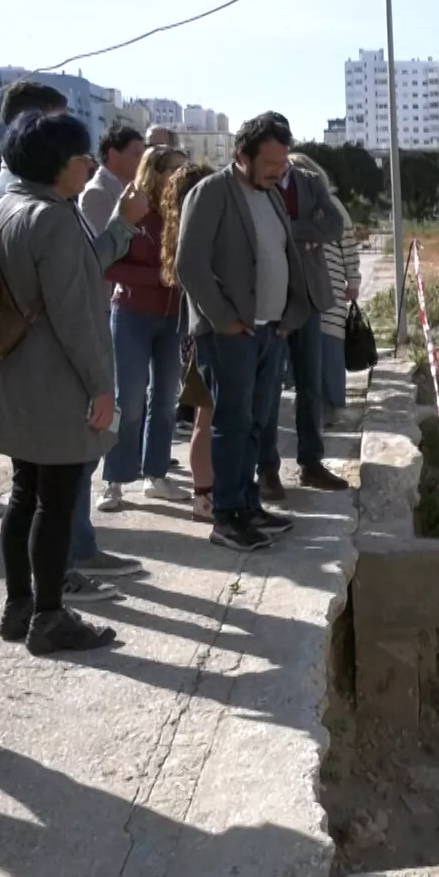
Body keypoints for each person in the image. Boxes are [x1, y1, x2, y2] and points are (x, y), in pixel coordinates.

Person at [0, 80, 146, 597]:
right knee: (54, 504)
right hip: (58, 378)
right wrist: (102, 387)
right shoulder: (53, 218)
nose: (88, 165)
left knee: (24, 496)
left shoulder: (6, 206)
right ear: (58, 162)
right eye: (81, 156)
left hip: (17, 370)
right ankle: (49, 614)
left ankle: (19, 606)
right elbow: (74, 310)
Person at [174, 113, 314, 551]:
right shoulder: (211, 194)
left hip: (270, 331)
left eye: (282, 162)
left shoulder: (270, 195)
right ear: (241, 156)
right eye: (270, 163)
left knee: (256, 423)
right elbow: (189, 264)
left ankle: (248, 504)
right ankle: (227, 515)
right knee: (232, 424)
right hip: (230, 335)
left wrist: (286, 318)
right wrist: (223, 319)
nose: (278, 172)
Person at [99, 145, 192, 510]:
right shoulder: (131, 207)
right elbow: (108, 265)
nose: (181, 176)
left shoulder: (183, 210)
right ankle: (115, 481)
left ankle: (156, 476)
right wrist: (158, 277)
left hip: (173, 319)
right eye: (175, 169)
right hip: (132, 314)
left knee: (166, 400)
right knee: (130, 401)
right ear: (155, 171)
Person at [259, 140, 349, 495]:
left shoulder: (310, 181)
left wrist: (288, 235)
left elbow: (334, 225)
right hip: (270, 297)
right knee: (269, 387)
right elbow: (258, 231)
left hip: (309, 296)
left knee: (310, 384)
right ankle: (266, 468)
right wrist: (302, 233)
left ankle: (311, 462)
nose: (278, 165)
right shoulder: (254, 183)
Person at [160, 162, 217, 520]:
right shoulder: (197, 231)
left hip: (191, 333)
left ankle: (205, 496)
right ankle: (206, 499)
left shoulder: (177, 229)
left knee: (205, 416)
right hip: (204, 332)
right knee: (207, 418)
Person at [292, 153, 360, 436]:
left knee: (329, 344)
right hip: (300, 287)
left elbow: (348, 244)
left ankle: (332, 406)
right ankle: (309, 408)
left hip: (330, 286)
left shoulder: (332, 206)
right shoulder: (290, 207)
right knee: (306, 349)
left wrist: (352, 279)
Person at [79, 124, 145, 236]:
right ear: (113, 154)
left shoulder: (133, 189)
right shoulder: (96, 194)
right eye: (137, 154)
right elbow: (102, 248)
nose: (143, 161)